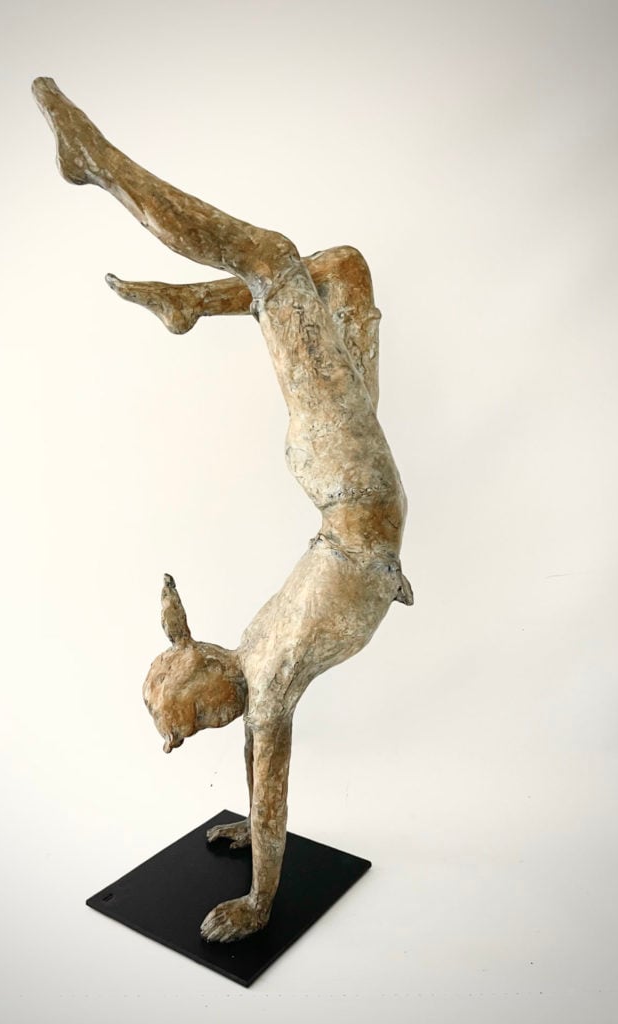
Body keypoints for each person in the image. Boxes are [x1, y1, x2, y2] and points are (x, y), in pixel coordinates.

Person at [33, 77, 413, 942]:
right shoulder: (266, 684)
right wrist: (258, 898)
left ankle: (185, 298)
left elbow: (256, 771)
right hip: (350, 488)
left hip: (349, 489)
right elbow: (271, 787)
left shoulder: (248, 654)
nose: (218, 712)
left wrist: (183, 631)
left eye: (200, 692)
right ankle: (99, 164)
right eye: (204, 710)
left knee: (335, 269)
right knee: (276, 260)